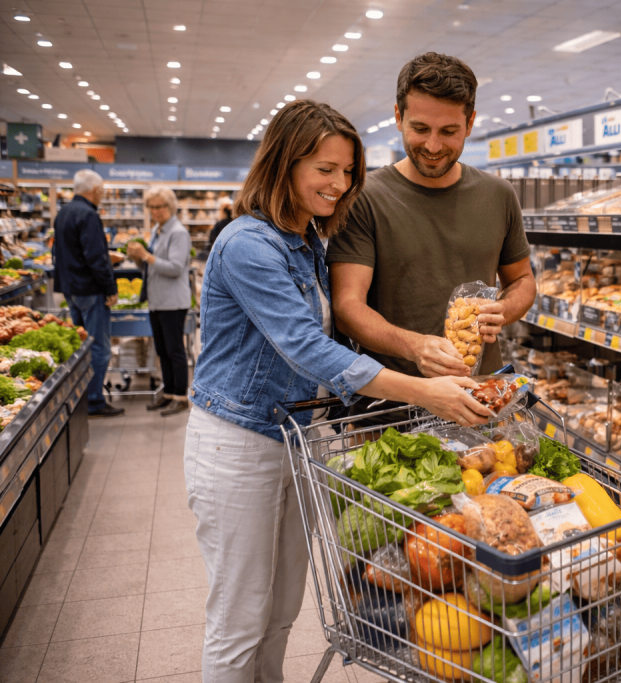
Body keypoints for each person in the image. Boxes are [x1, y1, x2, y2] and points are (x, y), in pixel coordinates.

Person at [185, 99, 490, 683]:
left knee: (280, 612)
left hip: (296, 441)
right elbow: (305, 347)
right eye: (324, 168)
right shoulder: (247, 244)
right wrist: (425, 391)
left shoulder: (307, 245)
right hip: (237, 445)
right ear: (284, 163)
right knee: (238, 618)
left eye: (347, 170)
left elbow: (332, 352)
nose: (339, 183)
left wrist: (413, 378)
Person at [328, 53, 535, 395]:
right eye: (420, 129)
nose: (433, 145)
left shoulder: (499, 194)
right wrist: (415, 346)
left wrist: (504, 310)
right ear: (398, 117)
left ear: (470, 124)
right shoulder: (364, 197)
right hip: (391, 407)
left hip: (478, 395)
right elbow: (348, 307)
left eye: (449, 131)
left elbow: (523, 280)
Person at [52, 169, 124, 417]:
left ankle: (82, 395)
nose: (103, 195)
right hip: (90, 290)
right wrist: (110, 288)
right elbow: (97, 257)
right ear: (94, 190)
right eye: (102, 191)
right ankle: (94, 400)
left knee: (80, 344)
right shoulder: (88, 214)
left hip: (71, 289)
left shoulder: (63, 212)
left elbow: (57, 254)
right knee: (98, 348)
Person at [126, 186, 192, 416]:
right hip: (157, 301)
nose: (155, 211)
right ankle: (168, 394)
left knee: (175, 350)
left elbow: (175, 268)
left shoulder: (178, 233)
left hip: (173, 302)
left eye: (159, 207)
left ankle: (181, 397)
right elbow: (150, 267)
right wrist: (138, 259)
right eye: (151, 207)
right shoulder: (158, 230)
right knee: (162, 350)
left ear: (170, 206)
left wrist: (146, 256)